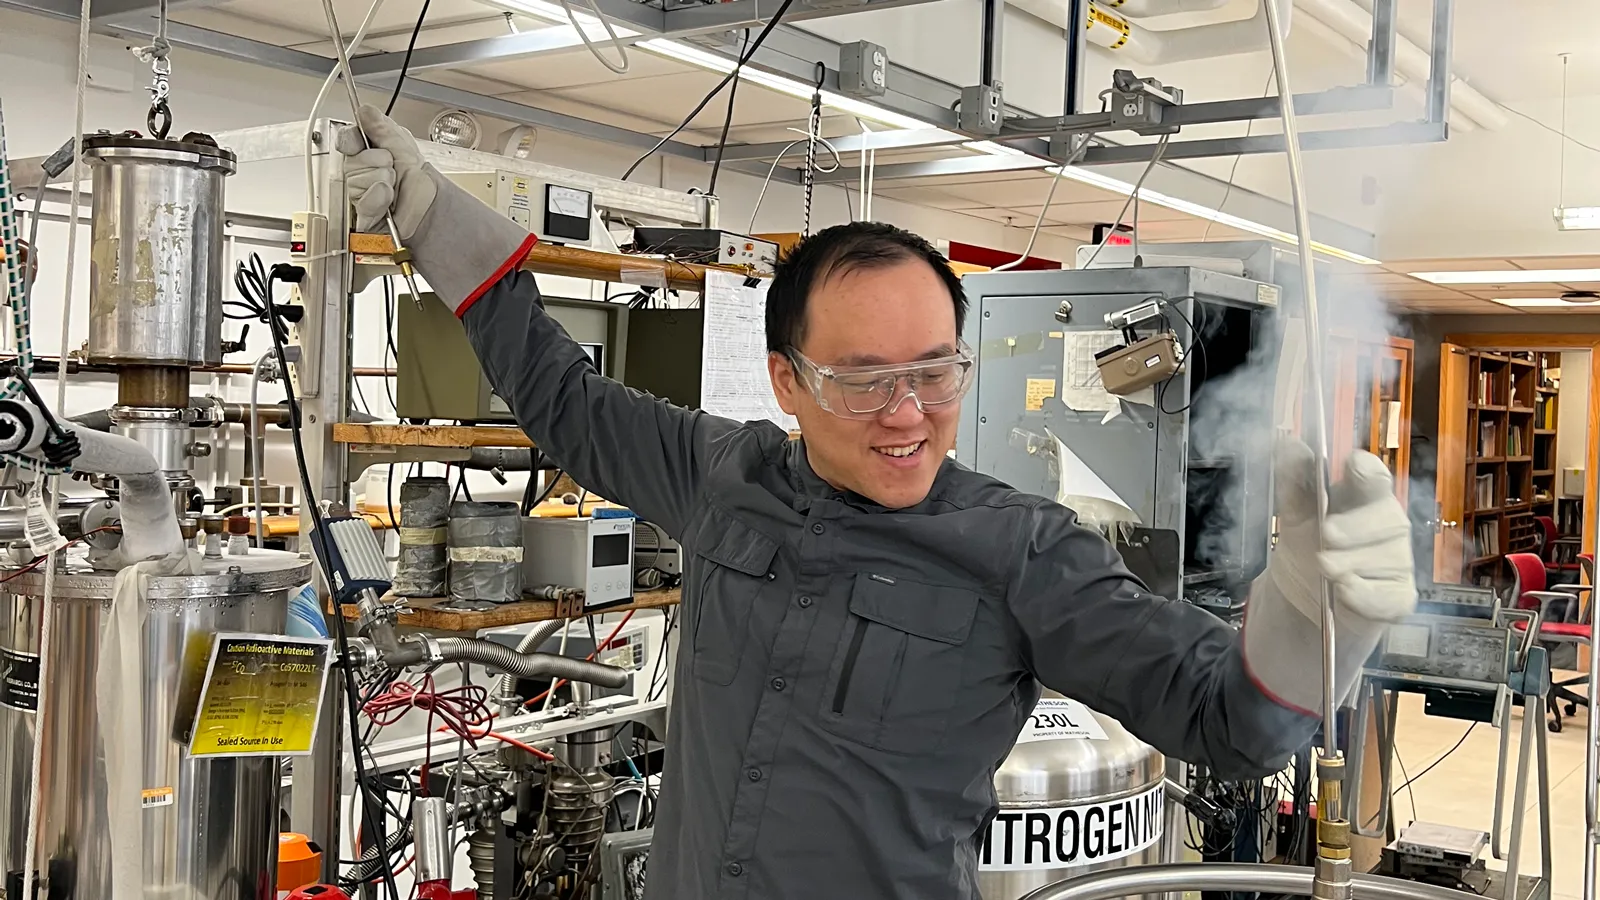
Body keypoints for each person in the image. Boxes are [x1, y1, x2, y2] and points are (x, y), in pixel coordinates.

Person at [339, 106, 1416, 900]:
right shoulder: (722, 476)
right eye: (861, 380)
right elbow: (563, 400)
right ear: (786, 382)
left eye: (937, 372)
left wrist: (1316, 626)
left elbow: (1224, 721)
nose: (907, 413)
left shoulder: (1021, 551)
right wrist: (431, 212)